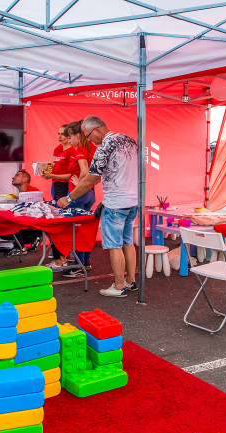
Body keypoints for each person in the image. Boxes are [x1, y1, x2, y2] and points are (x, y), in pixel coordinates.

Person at [57, 115, 138, 298]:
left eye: (88, 135)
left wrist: (69, 198)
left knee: (114, 246)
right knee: (128, 242)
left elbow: (90, 180)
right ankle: (130, 281)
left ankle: (119, 287)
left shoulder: (104, 148)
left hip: (116, 203)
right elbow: (105, 174)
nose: (89, 140)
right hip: (133, 201)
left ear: (96, 129)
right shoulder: (129, 140)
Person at [61, 120, 97, 279]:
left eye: (70, 137)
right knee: (85, 228)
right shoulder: (93, 147)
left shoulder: (81, 149)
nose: (69, 141)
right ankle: (86, 261)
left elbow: (84, 170)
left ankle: (76, 266)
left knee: (76, 231)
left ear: (77, 135)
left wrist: (78, 185)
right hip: (90, 193)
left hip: (79, 194)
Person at [42, 125, 75, 268]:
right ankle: (61, 257)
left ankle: (62, 259)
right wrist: (45, 172)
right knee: (56, 222)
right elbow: (52, 166)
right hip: (56, 186)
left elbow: (72, 175)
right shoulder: (59, 149)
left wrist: (53, 175)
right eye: (58, 133)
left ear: (69, 135)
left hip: (64, 188)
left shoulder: (72, 151)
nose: (60, 136)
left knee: (60, 223)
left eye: (63, 134)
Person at [0, 170, 43, 253]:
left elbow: (42, 211)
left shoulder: (33, 192)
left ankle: (22, 246)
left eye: (17, 175)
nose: (13, 177)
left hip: (32, 226)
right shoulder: (20, 194)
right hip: (26, 226)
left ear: (24, 179)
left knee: (10, 222)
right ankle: (26, 243)